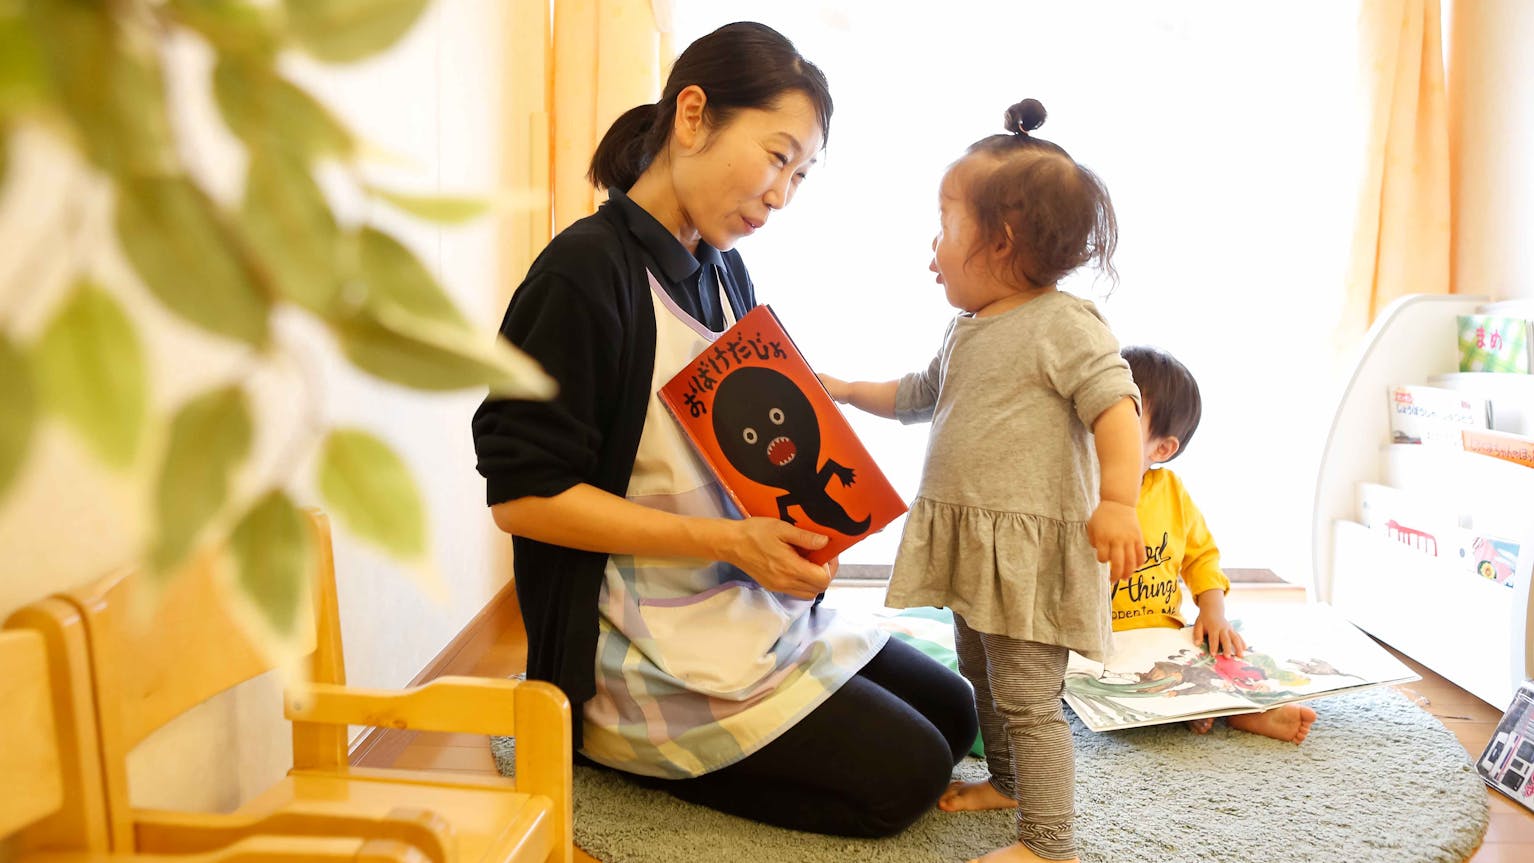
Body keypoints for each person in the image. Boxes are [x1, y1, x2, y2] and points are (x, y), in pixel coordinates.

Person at [470, 21, 976, 838]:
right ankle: (612, 745)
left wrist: (792, 535)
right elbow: (523, 500)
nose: (782, 196)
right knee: (907, 776)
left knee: (954, 713)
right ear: (694, 115)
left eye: (802, 175)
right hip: (643, 643)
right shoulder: (582, 274)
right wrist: (729, 543)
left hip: (742, 604)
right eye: (778, 158)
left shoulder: (721, 263)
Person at [820, 98, 1142, 863]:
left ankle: (1048, 843)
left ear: (999, 241)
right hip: (975, 541)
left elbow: (1117, 405)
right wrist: (836, 388)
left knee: (1030, 700)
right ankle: (1006, 780)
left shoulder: (1065, 324)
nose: (932, 246)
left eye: (944, 225)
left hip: (1027, 553)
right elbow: (918, 394)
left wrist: (1120, 500)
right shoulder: (968, 325)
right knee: (980, 673)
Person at [1119, 344, 1318, 744]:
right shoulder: (1075, 491)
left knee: (1223, 653)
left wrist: (1213, 612)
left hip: (1163, 634)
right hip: (1098, 642)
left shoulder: (1171, 492)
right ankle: (1190, 709)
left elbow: (1201, 558)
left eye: (1121, 419)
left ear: (1161, 448)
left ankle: (1246, 710)